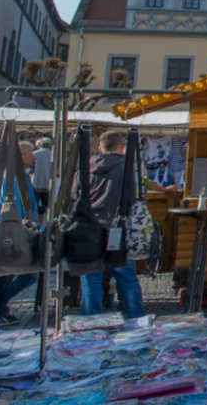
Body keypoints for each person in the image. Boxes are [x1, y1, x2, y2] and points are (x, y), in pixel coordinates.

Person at [77, 130, 145, 320]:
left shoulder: (86, 167)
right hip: (118, 227)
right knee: (125, 276)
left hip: (90, 228)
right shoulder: (127, 168)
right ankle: (136, 320)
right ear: (121, 147)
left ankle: (91, 322)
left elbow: (75, 197)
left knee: (91, 277)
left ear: (100, 147)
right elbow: (133, 198)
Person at [0, 141, 41, 326]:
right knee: (0, 277)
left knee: (4, 277)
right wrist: (21, 228)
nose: (34, 157)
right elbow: (11, 205)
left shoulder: (17, 176)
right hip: (9, 233)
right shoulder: (12, 177)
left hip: (13, 231)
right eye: (30, 153)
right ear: (20, 156)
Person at [30, 138, 53, 206]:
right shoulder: (53, 154)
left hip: (36, 182)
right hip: (48, 183)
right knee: (47, 205)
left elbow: (31, 168)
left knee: (34, 204)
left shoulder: (34, 154)